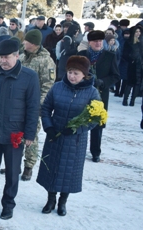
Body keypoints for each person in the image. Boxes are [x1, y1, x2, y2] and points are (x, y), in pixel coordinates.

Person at [0, 39, 40, 220]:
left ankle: (8, 204)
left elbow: (33, 107)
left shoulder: (29, 77)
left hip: (15, 133)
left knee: (12, 172)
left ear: (17, 56)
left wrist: (29, 133)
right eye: (0, 57)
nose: (3, 61)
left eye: (7, 57)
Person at [37, 56, 101, 216]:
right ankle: (50, 199)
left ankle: (62, 202)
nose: (72, 76)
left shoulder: (92, 92)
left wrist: (76, 129)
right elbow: (46, 108)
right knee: (52, 168)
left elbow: (95, 117)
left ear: (84, 75)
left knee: (69, 171)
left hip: (75, 140)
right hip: (55, 136)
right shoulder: (57, 87)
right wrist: (49, 127)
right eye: (70, 72)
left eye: (76, 73)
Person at [76, 30, 120, 162]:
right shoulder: (82, 55)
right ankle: (77, 148)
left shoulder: (110, 56)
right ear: (89, 43)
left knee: (97, 123)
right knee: (79, 121)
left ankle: (95, 152)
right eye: (95, 41)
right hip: (83, 93)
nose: (98, 43)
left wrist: (104, 82)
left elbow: (116, 76)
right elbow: (74, 72)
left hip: (100, 94)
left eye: (100, 41)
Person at [19, 28, 56, 181]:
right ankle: (14, 163)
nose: (23, 42)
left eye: (26, 41)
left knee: (31, 136)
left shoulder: (46, 61)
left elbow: (48, 85)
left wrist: (38, 105)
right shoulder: (21, 57)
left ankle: (29, 166)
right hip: (18, 104)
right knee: (16, 134)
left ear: (33, 44)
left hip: (34, 106)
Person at [121, 25, 143, 107]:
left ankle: (132, 100)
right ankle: (125, 100)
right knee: (130, 83)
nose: (138, 33)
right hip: (132, 65)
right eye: (137, 31)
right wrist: (131, 59)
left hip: (139, 65)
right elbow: (125, 54)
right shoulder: (129, 42)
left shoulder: (140, 42)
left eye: (139, 32)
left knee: (137, 83)